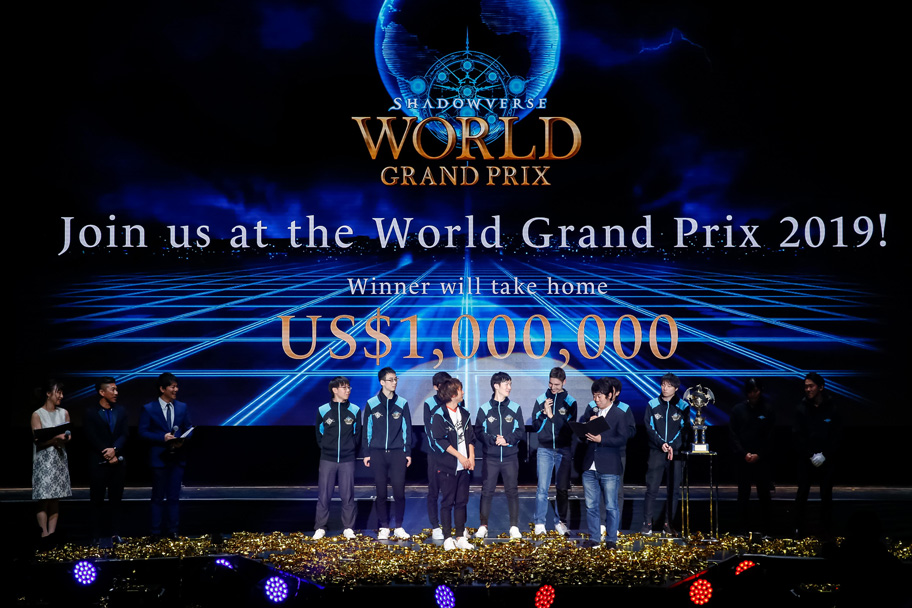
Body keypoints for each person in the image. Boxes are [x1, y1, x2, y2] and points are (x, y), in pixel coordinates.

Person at [580, 377, 636, 549]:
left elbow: (622, 438)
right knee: (591, 505)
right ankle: (594, 538)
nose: (596, 399)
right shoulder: (592, 412)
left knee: (611, 505)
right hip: (590, 465)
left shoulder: (619, 414)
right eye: (594, 396)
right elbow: (582, 438)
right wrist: (586, 427)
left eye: (599, 396)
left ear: (610, 395)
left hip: (610, 465)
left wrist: (602, 439)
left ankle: (611, 539)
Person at [139, 372, 193, 539]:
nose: (176, 390)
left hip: (177, 458)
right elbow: (143, 432)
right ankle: (155, 532)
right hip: (159, 459)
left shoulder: (182, 407)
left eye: (176, 386)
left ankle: (173, 530)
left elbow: (189, 428)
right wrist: (162, 438)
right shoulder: (149, 408)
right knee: (157, 496)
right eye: (172, 387)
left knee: (173, 496)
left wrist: (182, 439)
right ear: (162, 389)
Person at [362, 367, 412, 540]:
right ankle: (384, 526)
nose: (394, 382)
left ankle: (399, 526)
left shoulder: (402, 403)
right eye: (391, 379)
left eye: (396, 379)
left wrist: (407, 451)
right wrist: (366, 452)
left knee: (399, 492)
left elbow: (407, 429)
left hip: (398, 453)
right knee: (381, 492)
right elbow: (367, 430)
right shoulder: (371, 403)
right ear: (382, 382)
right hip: (377, 453)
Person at [474, 371, 523, 539]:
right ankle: (483, 525)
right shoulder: (484, 409)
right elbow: (479, 431)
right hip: (491, 458)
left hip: (510, 457)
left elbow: (520, 431)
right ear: (496, 386)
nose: (509, 387)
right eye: (506, 384)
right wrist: (493, 439)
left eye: (510, 384)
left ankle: (514, 527)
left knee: (512, 491)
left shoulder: (515, 408)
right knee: (487, 491)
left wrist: (507, 440)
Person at [793, 372, 841, 537]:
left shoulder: (832, 408)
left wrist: (825, 455)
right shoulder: (800, 408)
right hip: (806, 459)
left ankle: (826, 530)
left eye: (811, 386)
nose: (808, 389)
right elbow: (797, 436)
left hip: (826, 459)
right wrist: (810, 455)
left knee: (826, 494)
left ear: (820, 387)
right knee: (802, 492)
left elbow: (836, 435)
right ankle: (798, 529)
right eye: (806, 386)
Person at [430, 378, 475, 550]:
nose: (463, 392)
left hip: (464, 466)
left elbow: (470, 438)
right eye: (461, 390)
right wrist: (460, 457)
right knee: (447, 502)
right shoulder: (439, 415)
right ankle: (448, 537)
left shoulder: (464, 414)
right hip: (448, 466)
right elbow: (440, 440)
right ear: (453, 394)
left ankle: (460, 536)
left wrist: (471, 458)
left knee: (462, 502)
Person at [642, 372, 689, 536]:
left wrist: (672, 446)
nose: (665, 388)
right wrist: (661, 443)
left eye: (669, 386)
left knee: (674, 490)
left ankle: (668, 524)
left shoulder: (683, 406)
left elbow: (684, 429)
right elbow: (649, 427)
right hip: (656, 450)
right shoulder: (652, 404)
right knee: (651, 488)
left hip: (675, 453)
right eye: (663, 384)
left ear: (676, 388)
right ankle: (647, 524)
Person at [314, 376, 360, 540]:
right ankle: (320, 527)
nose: (348, 390)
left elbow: (357, 434)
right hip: (328, 458)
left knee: (347, 495)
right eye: (344, 387)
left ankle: (348, 528)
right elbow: (319, 433)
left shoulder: (355, 410)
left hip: (347, 459)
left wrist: (350, 448)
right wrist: (326, 447)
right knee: (324, 494)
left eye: (349, 387)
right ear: (334, 390)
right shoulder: (323, 410)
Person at [531, 367, 577, 535]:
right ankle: (539, 523)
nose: (553, 387)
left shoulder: (570, 402)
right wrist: (544, 413)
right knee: (542, 488)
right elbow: (536, 426)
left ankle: (560, 522)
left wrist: (552, 416)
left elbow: (568, 429)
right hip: (545, 448)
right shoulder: (541, 399)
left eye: (557, 384)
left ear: (564, 382)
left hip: (563, 449)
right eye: (551, 383)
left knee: (562, 488)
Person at [83, 376, 129, 544]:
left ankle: (115, 533)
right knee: (97, 500)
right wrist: (106, 452)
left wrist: (114, 450)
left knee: (116, 500)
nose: (116, 392)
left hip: (118, 462)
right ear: (102, 392)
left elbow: (125, 434)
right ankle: (95, 535)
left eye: (116, 389)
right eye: (112, 389)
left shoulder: (121, 411)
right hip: (98, 462)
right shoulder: (90, 412)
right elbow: (91, 436)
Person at [729, 378, 775, 535]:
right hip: (743, 459)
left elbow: (771, 436)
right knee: (743, 494)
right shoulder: (737, 410)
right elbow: (733, 435)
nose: (753, 394)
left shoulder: (768, 409)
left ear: (760, 391)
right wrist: (744, 454)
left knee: (764, 494)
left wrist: (759, 454)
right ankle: (742, 529)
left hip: (762, 460)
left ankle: (767, 529)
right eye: (750, 391)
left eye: (755, 391)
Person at [31, 379, 72, 544]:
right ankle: (44, 535)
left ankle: (52, 536)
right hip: (44, 461)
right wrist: (55, 438)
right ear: (48, 394)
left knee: (55, 499)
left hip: (59, 459)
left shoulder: (64, 413)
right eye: (58, 392)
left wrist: (65, 438)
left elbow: (69, 436)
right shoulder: (37, 414)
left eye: (62, 393)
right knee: (44, 499)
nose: (61, 396)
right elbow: (38, 441)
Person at [424, 371, 452, 540]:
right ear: (436, 387)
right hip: (435, 454)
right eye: (443, 385)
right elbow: (429, 430)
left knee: (452, 492)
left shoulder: (454, 401)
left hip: (452, 453)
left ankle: (453, 525)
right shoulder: (429, 403)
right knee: (434, 490)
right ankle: (435, 525)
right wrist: (441, 449)